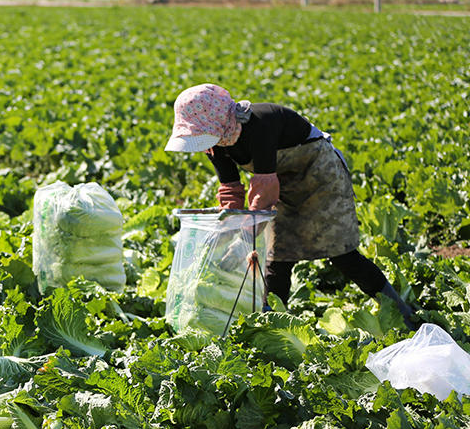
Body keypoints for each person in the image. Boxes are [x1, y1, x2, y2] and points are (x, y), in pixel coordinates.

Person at [164, 83, 415, 327]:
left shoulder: (259, 126)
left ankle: (401, 313)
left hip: (320, 180)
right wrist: (225, 230)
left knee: (343, 255)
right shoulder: (215, 143)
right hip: (279, 187)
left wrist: (244, 239)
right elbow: (231, 192)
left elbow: (263, 191)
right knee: (277, 257)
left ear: (215, 120)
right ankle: (272, 324)